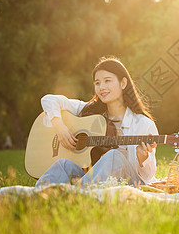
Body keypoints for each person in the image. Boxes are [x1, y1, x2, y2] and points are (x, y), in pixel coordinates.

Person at [35, 56, 158, 188]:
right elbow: (48, 100)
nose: (101, 87)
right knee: (64, 164)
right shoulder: (89, 111)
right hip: (95, 179)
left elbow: (148, 176)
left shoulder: (144, 124)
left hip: (127, 182)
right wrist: (60, 128)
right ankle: (36, 195)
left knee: (113, 156)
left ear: (123, 83)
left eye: (107, 81)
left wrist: (142, 158)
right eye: (97, 83)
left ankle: (77, 194)